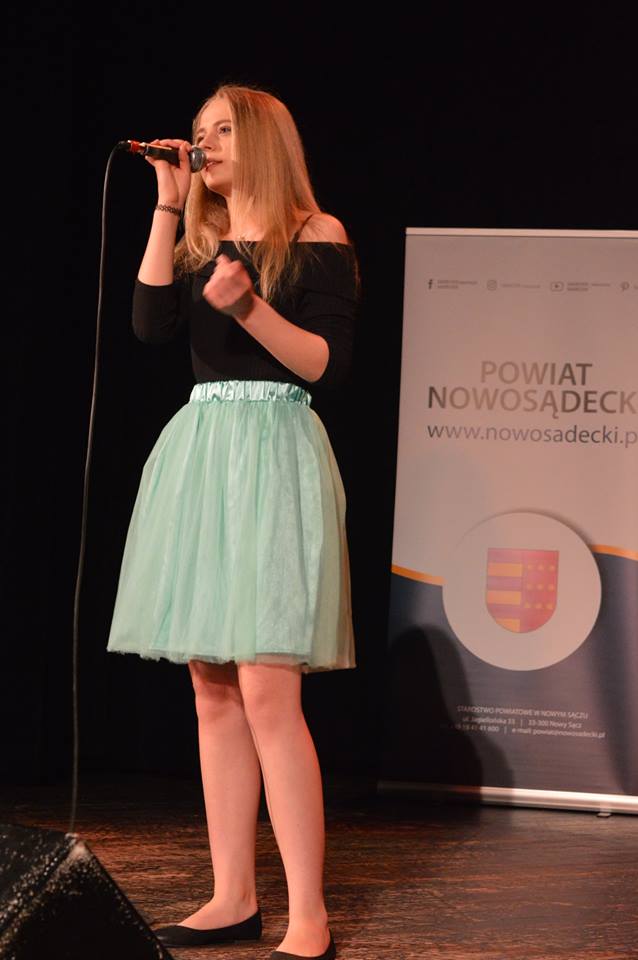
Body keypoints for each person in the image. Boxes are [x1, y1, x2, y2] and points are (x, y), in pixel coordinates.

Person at [106, 82, 360, 960]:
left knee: (266, 688)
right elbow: (148, 325)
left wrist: (249, 304)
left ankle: (309, 916)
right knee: (210, 687)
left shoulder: (317, 235)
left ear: (261, 140)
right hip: (204, 452)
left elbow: (324, 364)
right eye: (197, 130)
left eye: (220, 130)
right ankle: (232, 896)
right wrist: (168, 202)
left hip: (274, 450)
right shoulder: (199, 240)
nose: (202, 143)